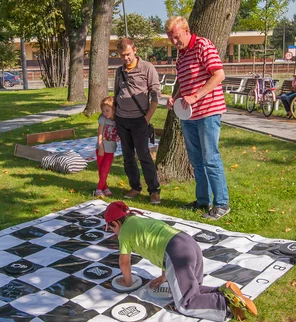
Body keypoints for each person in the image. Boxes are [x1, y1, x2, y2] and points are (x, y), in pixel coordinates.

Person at [104, 201, 257, 322]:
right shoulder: (138, 221)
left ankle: (225, 302)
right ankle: (223, 290)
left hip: (177, 252)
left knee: (186, 303)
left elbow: (124, 262)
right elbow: (160, 245)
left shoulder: (124, 232)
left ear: (116, 224)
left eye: (112, 228)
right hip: (188, 243)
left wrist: (128, 282)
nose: (114, 233)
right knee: (194, 288)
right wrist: (164, 277)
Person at [165, 16, 230, 220]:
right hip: (188, 114)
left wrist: (195, 96)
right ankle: (203, 201)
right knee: (196, 160)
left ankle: (221, 204)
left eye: (176, 37)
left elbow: (218, 75)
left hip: (209, 111)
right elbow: (184, 84)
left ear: (186, 30)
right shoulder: (181, 56)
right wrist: (175, 98)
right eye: (171, 39)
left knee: (210, 158)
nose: (175, 42)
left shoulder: (203, 45)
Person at [113, 38, 162, 205]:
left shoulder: (147, 68)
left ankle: (154, 190)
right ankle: (135, 186)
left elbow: (155, 94)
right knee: (128, 156)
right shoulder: (119, 71)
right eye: (122, 55)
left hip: (139, 120)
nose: (125, 58)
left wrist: (147, 118)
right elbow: (116, 94)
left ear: (134, 50)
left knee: (144, 155)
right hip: (121, 119)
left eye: (127, 54)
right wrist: (114, 118)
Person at [95, 96, 119, 198]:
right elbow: (100, 133)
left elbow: (119, 132)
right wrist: (100, 146)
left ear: (114, 110)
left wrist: (119, 136)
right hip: (101, 148)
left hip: (111, 149)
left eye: (107, 110)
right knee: (101, 170)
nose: (105, 113)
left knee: (105, 169)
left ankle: (101, 188)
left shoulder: (118, 120)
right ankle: (101, 188)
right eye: (103, 110)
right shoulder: (102, 118)